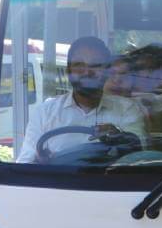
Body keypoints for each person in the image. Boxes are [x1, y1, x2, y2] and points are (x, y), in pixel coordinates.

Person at [16, 36, 146, 163]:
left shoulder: (126, 109)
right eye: (79, 65)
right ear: (68, 71)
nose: (87, 72)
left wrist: (119, 137)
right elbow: (25, 163)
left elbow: (138, 160)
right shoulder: (45, 113)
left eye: (95, 65)